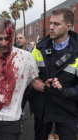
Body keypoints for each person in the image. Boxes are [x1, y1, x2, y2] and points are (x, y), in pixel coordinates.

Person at [31, 8, 78, 140]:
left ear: (68, 27)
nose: (51, 27)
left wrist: (67, 92)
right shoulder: (39, 48)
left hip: (67, 109)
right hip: (42, 108)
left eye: (56, 24)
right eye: (51, 23)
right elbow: (30, 74)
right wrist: (39, 84)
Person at [16, 33, 33, 120]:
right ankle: (18, 119)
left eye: (20, 38)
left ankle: (21, 112)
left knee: (25, 99)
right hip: (18, 82)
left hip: (29, 82)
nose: (18, 40)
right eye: (17, 38)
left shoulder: (31, 51)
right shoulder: (14, 52)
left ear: (25, 40)